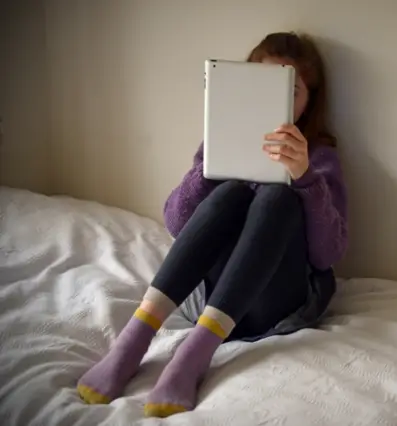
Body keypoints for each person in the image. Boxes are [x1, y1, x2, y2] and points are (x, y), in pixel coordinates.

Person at [76, 32, 348, 418]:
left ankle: (194, 354)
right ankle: (133, 341)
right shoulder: (220, 143)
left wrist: (303, 178)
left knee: (277, 197)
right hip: (211, 296)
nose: (277, 101)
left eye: (292, 90)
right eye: (265, 86)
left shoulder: (318, 158)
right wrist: (211, 166)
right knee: (231, 193)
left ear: (309, 100)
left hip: (275, 301)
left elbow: (328, 255)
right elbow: (176, 223)